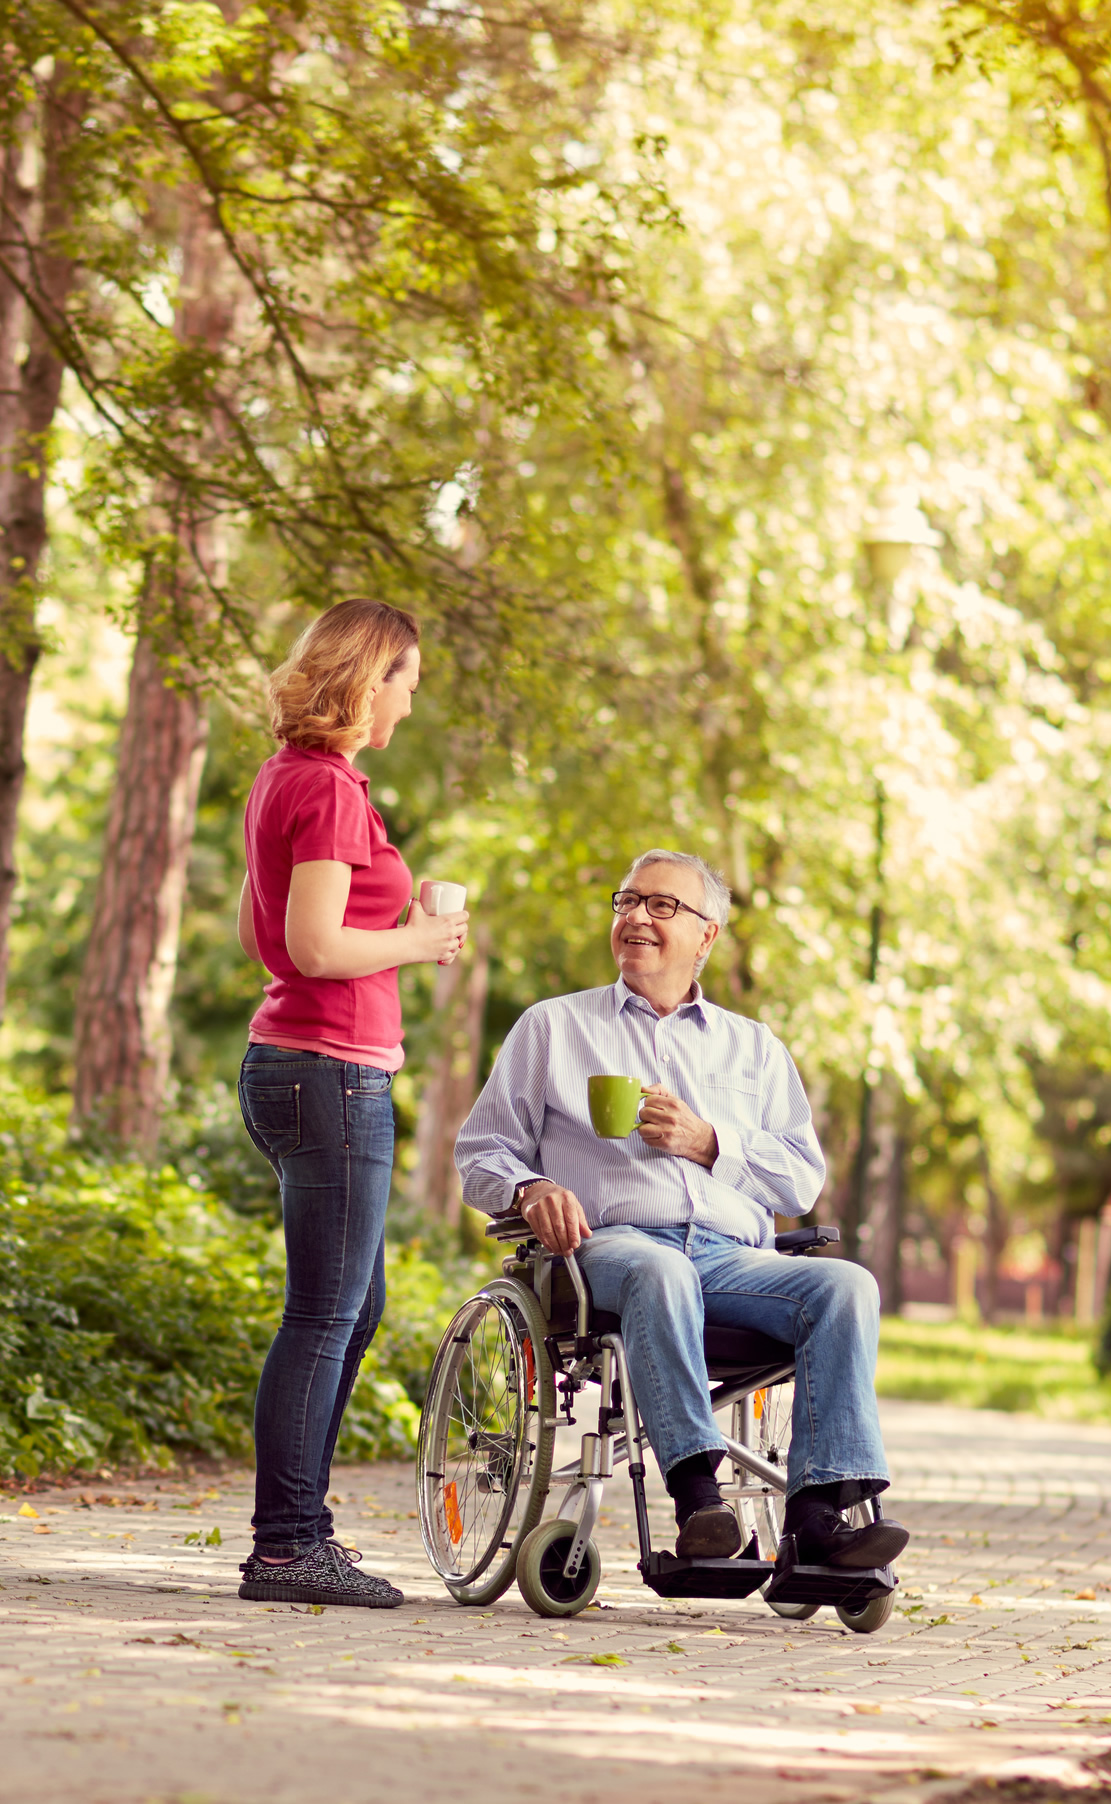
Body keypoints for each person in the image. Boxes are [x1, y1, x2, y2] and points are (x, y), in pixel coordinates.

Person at [452, 849, 911, 1571]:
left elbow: (799, 1182)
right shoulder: (554, 1028)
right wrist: (528, 1189)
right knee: (659, 1268)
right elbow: (479, 1153)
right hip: (608, 1250)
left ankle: (818, 1521)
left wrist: (710, 1143)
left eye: (661, 905)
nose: (636, 915)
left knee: (848, 1285)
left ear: (707, 935)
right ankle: (699, 1498)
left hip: (731, 1259)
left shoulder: (753, 1048)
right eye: (627, 901)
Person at [231, 599, 468, 1608]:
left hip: (295, 1063)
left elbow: (266, 935)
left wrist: (396, 926)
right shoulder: (327, 789)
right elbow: (318, 946)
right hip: (329, 1074)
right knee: (325, 1315)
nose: (410, 703)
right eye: (406, 682)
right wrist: (418, 941)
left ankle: (302, 1532)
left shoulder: (287, 777)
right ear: (372, 680)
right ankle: (286, 1548)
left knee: (347, 1308)